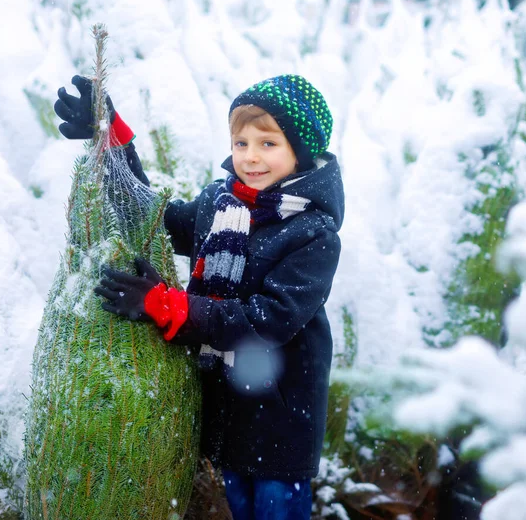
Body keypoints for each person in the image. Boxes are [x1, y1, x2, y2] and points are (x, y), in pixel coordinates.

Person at [54, 74, 345, 520]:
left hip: (280, 420)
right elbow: (150, 217)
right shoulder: (222, 203)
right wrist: (110, 139)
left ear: (300, 152)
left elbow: (268, 320)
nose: (250, 156)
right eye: (240, 141)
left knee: (274, 510)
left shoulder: (312, 233)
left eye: (268, 144)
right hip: (229, 409)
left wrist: (168, 305)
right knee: (240, 506)